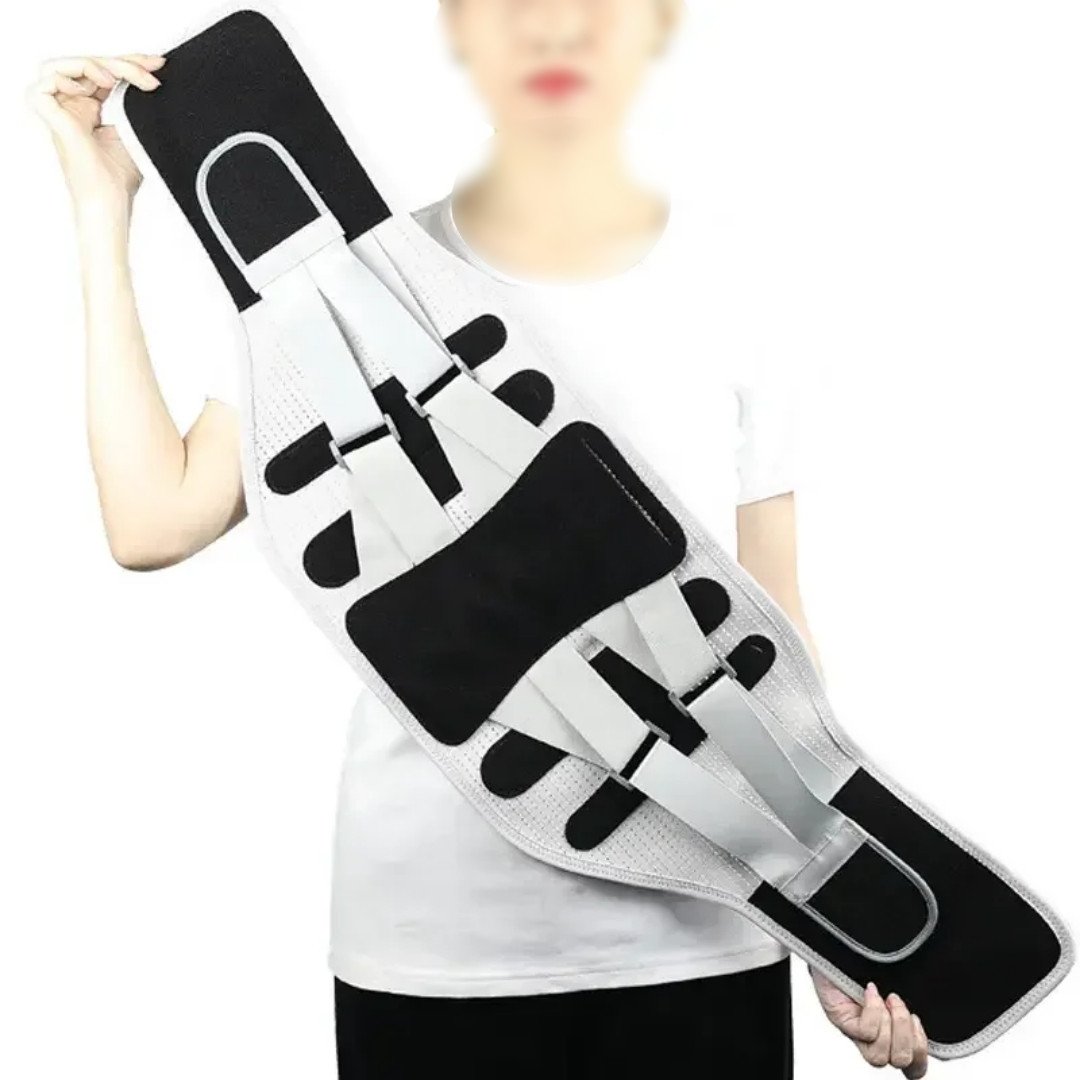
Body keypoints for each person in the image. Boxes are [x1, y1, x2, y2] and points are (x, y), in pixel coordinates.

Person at [29, 1, 930, 1077]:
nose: (554, 33)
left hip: (705, 930)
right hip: (434, 943)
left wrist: (831, 921)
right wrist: (101, 216)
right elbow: (151, 522)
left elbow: (777, 652)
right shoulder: (338, 285)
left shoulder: (739, 290)